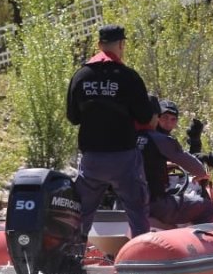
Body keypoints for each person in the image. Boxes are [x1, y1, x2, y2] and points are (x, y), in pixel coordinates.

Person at [66, 24, 154, 237]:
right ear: (122, 45)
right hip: (124, 159)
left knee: (81, 215)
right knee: (137, 211)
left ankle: (72, 258)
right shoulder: (129, 77)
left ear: (98, 45)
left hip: (92, 161)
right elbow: (145, 118)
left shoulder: (80, 76)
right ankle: (141, 259)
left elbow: (73, 117)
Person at [140, 98, 213, 226]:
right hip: (155, 202)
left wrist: (195, 142)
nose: (168, 122)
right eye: (164, 117)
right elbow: (192, 165)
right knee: (207, 208)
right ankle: (197, 244)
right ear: (156, 117)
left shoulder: (130, 137)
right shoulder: (161, 140)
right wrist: (201, 172)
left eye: (173, 119)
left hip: (131, 200)